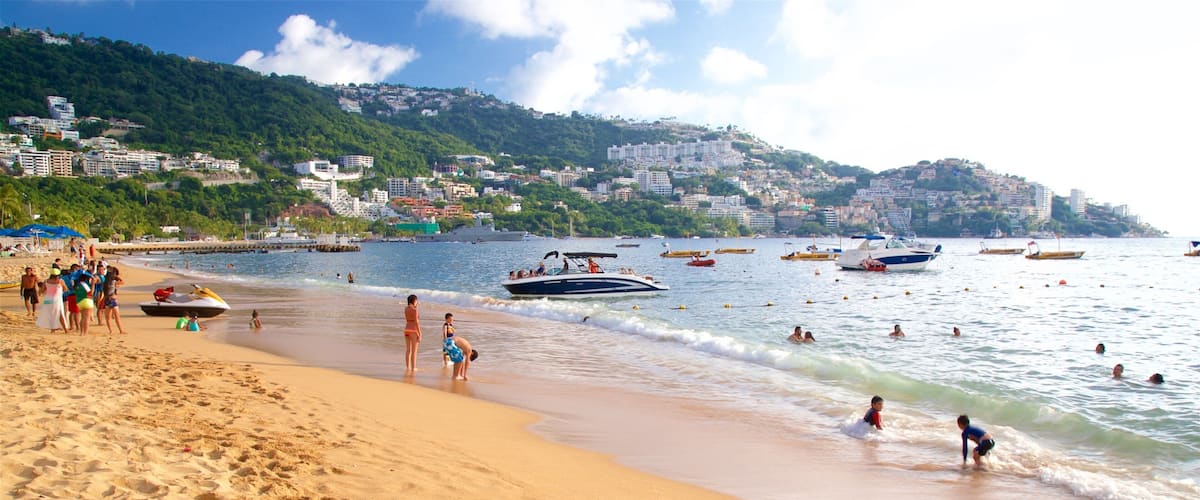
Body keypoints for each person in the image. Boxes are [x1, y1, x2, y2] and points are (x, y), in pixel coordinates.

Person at [35, 268, 68, 333]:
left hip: (48, 299)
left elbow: (42, 290)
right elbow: (65, 289)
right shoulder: (60, 281)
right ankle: (65, 329)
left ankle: (52, 329)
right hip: (57, 299)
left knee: (51, 314)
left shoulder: (46, 281)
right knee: (60, 314)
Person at [101, 266, 128, 334]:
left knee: (108, 317)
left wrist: (116, 285)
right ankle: (120, 330)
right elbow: (122, 281)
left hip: (107, 298)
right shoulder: (113, 277)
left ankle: (111, 331)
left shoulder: (105, 278)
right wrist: (117, 284)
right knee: (116, 316)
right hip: (112, 298)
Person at [403, 294, 421, 372]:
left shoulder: (406, 309)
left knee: (408, 350)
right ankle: (413, 368)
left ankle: (408, 367)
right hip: (413, 330)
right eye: (416, 301)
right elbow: (416, 322)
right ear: (414, 301)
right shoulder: (415, 310)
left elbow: (409, 318)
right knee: (414, 351)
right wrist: (420, 333)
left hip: (407, 329)